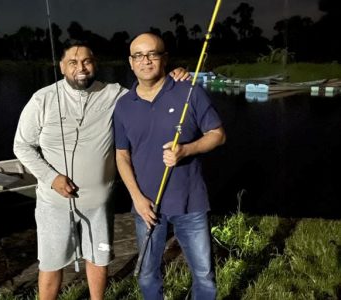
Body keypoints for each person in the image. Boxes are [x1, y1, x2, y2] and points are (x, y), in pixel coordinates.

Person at [13, 42, 189, 300]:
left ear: (95, 63)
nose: (80, 67)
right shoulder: (42, 99)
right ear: (62, 67)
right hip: (54, 203)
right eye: (73, 62)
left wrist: (173, 76)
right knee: (51, 264)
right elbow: (22, 145)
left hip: (99, 204)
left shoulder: (115, 94)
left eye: (86, 61)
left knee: (99, 258)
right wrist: (52, 178)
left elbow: (149, 96)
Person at [114, 33, 226, 300]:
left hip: (191, 202)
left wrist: (187, 149)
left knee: (204, 276)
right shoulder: (123, 106)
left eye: (153, 53)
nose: (146, 60)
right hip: (147, 207)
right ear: (130, 62)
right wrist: (137, 199)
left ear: (164, 58)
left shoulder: (188, 91)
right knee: (147, 274)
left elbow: (218, 135)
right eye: (138, 55)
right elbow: (121, 155)